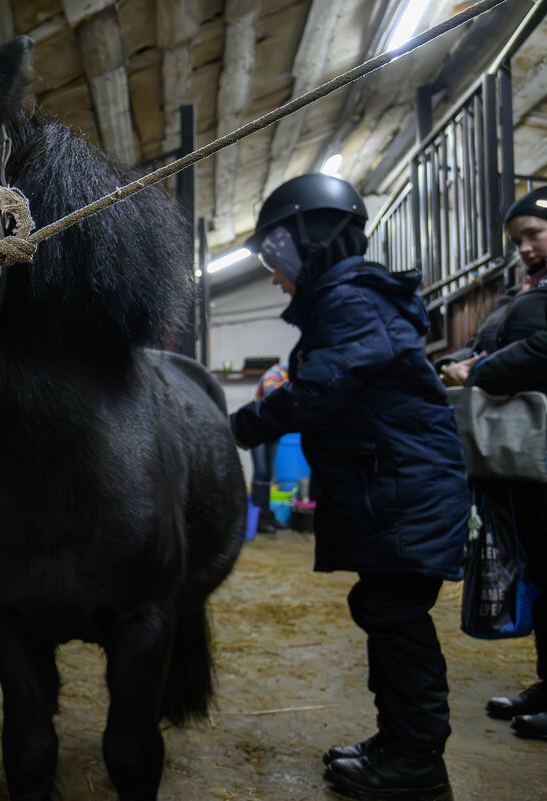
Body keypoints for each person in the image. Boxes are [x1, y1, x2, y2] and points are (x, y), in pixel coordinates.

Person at [229, 174, 469, 800]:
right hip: (393, 489)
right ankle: (399, 743)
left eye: (278, 255)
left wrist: (228, 427)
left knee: (395, 620)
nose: (275, 273)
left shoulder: (352, 301)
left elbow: (316, 393)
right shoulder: (348, 302)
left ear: (314, 241)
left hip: (403, 493)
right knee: (386, 614)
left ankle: (417, 766)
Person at [437, 184, 547, 741]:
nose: (525, 246)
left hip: (541, 444)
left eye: (534, 234)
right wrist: (458, 360)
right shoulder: (520, 290)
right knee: (539, 569)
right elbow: (484, 341)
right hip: (523, 457)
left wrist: (477, 372)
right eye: (517, 239)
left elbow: (540, 352)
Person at [248, 362, 288, 533]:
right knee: (261, 473)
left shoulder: (290, 378)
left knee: (268, 475)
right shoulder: (275, 373)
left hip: (272, 429)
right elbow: (273, 398)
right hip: (257, 427)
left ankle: (267, 514)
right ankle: (258, 518)